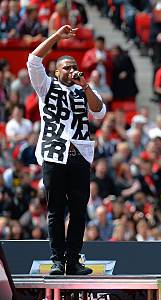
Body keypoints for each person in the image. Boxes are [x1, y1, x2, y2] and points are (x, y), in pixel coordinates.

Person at [27, 25, 106, 274]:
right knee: (55, 210)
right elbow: (33, 59)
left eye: (74, 66)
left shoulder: (83, 90)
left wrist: (85, 85)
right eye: (67, 67)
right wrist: (57, 37)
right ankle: (57, 260)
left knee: (79, 211)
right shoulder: (46, 86)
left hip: (80, 155)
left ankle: (72, 260)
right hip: (54, 153)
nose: (72, 70)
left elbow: (100, 112)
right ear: (56, 70)